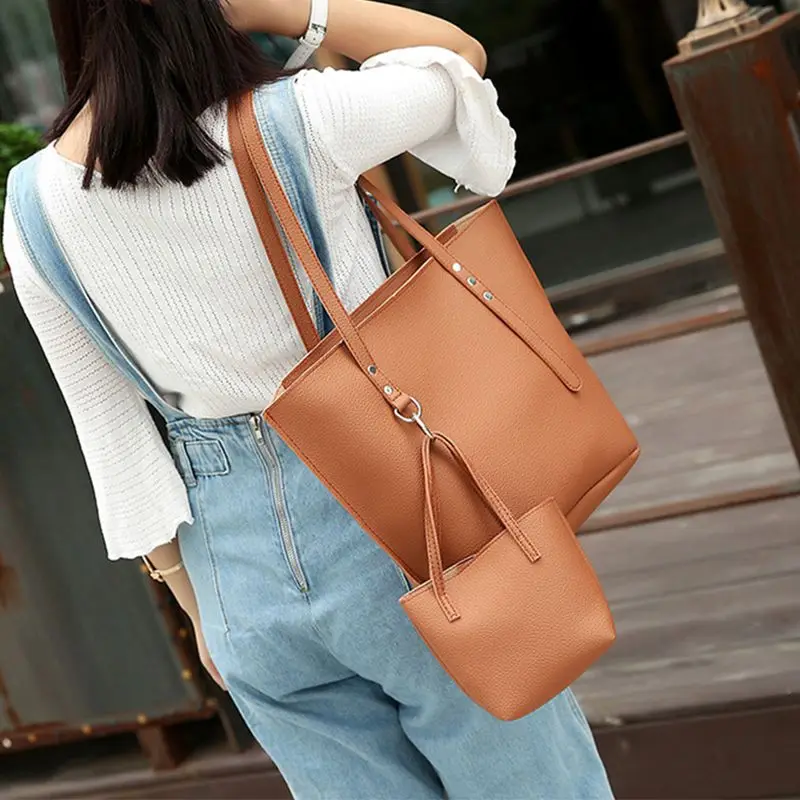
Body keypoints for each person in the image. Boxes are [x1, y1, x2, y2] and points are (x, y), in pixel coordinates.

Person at [3, 1, 613, 796]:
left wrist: (200, 609)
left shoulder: (32, 203)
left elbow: (112, 435)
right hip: (405, 530)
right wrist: (288, 9)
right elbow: (455, 54)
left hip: (236, 579)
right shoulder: (303, 119)